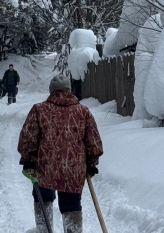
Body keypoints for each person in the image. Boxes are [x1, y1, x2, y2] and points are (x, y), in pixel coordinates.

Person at [18, 74, 103, 233]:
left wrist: (28, 160)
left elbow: (28, 137)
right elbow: (93, 141)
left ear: (51, 91)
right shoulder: (83, 111)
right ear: (69, 90)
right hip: (73, 169)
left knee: (43, 199)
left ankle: (44, 230)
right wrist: (91, 163)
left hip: (45, 168)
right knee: (71, 206)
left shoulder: (39, 109)